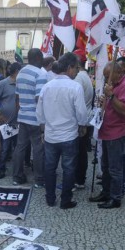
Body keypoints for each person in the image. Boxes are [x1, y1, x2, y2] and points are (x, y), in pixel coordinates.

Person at [36, 53, 89, 210]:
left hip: (51, 136)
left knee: (50, 168)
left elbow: (40, 113)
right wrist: (83, 125)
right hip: (69, 136)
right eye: (76, 68)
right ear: (69, 68)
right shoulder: (75, 87)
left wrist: (43, 130)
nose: (77, 72)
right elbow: (81, 112)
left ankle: (50, 198)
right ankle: (66, 200)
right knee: (69, 169)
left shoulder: (47, 87)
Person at [89, 61, 125, 209]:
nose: (106, 79)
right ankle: (106, 192)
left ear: (118, 73)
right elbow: (111, 106)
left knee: (115, 168)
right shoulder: (112, 85)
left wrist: (112, 97)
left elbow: (124, 111)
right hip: (106, 130)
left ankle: (115, 198)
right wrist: (104, 101)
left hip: (117, 132)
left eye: (108, 76)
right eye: (105, 76)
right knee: (106, 166)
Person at [12, 48, 48, 186]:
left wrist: (19, 114)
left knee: (20, 147)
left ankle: (17, 177)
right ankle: (38, 180)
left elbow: (17, 97)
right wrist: (43, 119)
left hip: (23, 116)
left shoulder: (20, 73)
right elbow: (39, 99)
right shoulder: (40, 74)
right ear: (39, 58)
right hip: (35, 118)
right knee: (38, 149)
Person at [0, 62, 21, 180]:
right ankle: (1, 169)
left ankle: (18, 171)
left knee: (18, 149)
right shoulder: (3, 83)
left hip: (19, 122)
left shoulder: (21, 84)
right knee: (5, 148)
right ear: (17, 71)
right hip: (7, 123)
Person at [73, 54, 94, 189]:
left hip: (81, 120)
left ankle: (78, 179)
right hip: (85, 118)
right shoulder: (85, 76)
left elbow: (77, 101)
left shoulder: (79, 78)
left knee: (78, 152)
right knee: (81, 151)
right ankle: (80, 178)